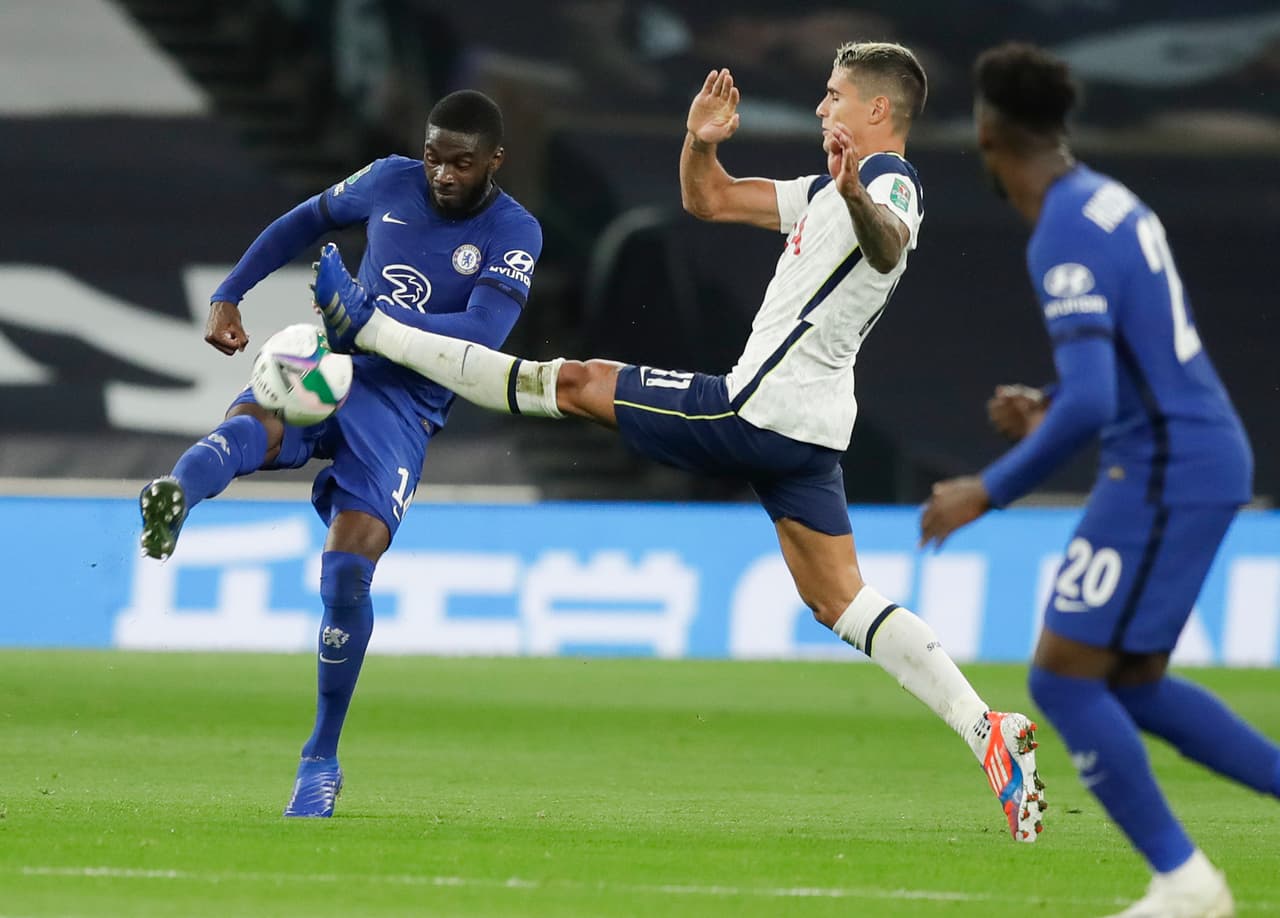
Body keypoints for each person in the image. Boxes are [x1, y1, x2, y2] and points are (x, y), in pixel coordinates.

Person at [311, 42, 1049, 842]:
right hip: (808, 432)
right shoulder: (823, 192)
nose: (821, 107)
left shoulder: (886, 181)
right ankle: (987, 729)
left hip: (755, 410)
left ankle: (371, 328)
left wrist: (853, 192)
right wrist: (701, 143)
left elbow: (890, 241)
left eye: (835, 95)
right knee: (842, 599)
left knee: (574, 383)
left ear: (878, 109)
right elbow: (712, 200)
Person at [920, 42, 1280, 917]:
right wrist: (1050, 403)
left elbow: (1094, 401)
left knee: (1063, 678)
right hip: (1191, 452)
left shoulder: (1063, 233)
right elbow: (1127, 362)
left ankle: (1186, 884)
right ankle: (1186, 883)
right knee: (1131, 683)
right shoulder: (1108, 200)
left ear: (988, 134)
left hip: (1164, 466)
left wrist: (985, 490)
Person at [137, 90, 543, 818]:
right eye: (433, 157)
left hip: (404, 405)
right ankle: (176, 494)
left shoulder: (514, 231)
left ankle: (319, 759)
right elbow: (306, 219)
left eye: (461, 163)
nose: (442, 174)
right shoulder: (388, 179)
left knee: (348, 572)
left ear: (494, 161)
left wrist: (370, 318)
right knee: (255, 422)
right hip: (331, 363)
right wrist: (230, 292)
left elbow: (482, 332)